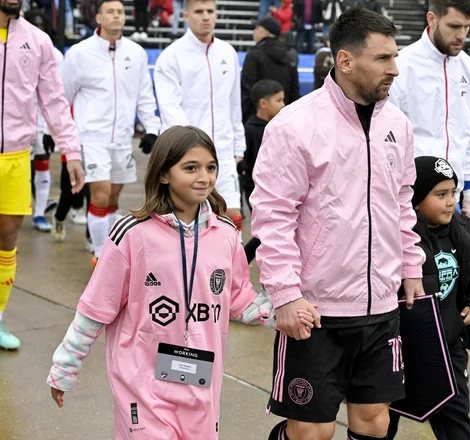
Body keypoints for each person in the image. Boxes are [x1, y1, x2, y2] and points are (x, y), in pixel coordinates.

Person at [46, 126, 315, 438]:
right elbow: (94, 310)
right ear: (163, 174)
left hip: (201, 385)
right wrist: (64, 368)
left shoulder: (226, 233)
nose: (204, 177)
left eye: (210, 167)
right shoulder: (132, 233)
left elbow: (240, 301)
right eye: (191, 168)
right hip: (142, 383)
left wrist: (283, 310)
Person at [251, 8, 426, 440]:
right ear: (345, 61)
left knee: (375, 422)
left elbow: (402, 204)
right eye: (383, 59)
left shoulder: (398, 126)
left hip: (381, 306)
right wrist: (286, 295)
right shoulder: (294, 125)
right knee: (312, 431)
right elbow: (272, 218)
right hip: (317, 311)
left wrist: (410, 269)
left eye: (395, 56)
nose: (395, 69)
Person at [0, 0, 84, 350]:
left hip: (16, 156)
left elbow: (53, 100)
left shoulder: (38, 40)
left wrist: (71, 151)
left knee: (7, 237)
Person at [388, 157, 470, 440]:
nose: (450, 202)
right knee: (383, 420)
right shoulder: (400, 239)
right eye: (440, 194)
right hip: (406, 348)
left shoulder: (458, 228)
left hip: (449, 343)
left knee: (456, 418)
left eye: (453, 193)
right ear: (416, 200)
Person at [62, 0, 161, 267]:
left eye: (120, 12)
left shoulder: (137, 53)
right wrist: (58, 131)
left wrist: (152, 128)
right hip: (91, 135)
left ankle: (108, 246)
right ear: (98, 17)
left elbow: (144, 94)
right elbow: (63, 95)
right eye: (111, 12)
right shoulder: (79, 53)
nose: (116, 16)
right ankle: (99, 254)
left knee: (114, 198)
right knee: (101, 193)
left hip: (122, 138)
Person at [389, 0, 470, 230]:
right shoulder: (401, 66)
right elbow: (387, 138)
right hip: (409, 201)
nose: (462, 35)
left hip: (455, 201)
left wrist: (469, 197)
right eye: (454, 26)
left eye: (467, 27)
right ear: (432, 19)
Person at [154, 0, 245, 233]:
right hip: (189, 157)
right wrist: (188, 151)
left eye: (209, 11)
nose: (205, 17)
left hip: (223, 152)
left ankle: (226, 269)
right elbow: (169, 108)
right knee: (191, 222)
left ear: (216, 14)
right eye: (198, 12)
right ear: (185, 15)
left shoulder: (228, 52)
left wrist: (238, 147)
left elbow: (234, 103)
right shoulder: (171, 56)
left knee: (232, 217)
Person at [239, 80, 285, 264]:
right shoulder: (249, 131)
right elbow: (246, 163)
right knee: (267, 234)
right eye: (279, 100)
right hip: (257, 191)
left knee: (270, 234)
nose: (283, 105)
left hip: (278, 189)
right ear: (263, 103)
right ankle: (240, 261)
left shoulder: (281, 127)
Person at [25, 9, 60, 233]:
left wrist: (51, 128)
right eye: (33, 24)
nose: (38, 29)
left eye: (42, 24)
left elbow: (58, 95)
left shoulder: (56, 55)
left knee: (42, 167)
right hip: (15, 123)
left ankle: (39, 214)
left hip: (42, 123)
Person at [240, 16, 300, 122]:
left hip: (258, 120)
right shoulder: (289, 56)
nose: (254, 32)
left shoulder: (254, 55)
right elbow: (294, 92)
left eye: (257, 29)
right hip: (285, 120)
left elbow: (246, 89)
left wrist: (247, 120)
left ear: (266, 33)